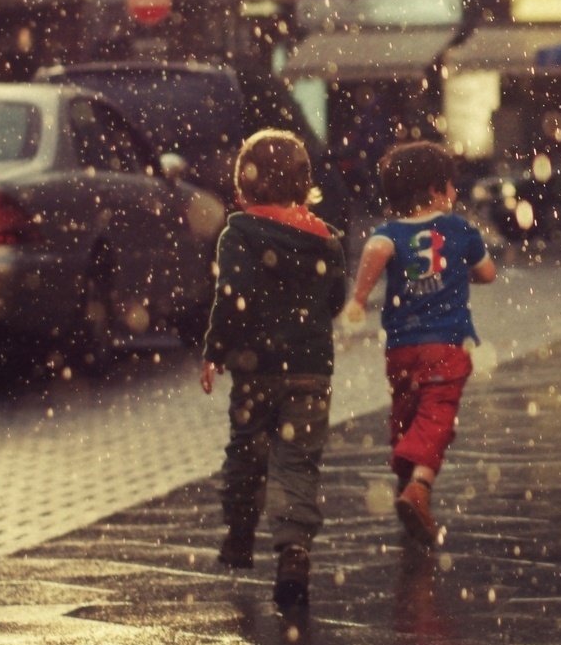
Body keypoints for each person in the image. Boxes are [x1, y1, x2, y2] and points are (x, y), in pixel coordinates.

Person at [198, 130, 347, 612]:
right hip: (310, 372)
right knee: (299, 461)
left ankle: (240, 532)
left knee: (247, 450)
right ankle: (295, 550)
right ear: (306, 187)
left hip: (255, 370)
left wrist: (215, 351)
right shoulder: (327, 241)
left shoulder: (238, 234)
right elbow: (336, 301)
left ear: (243, 187)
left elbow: (231, 299)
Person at [342, 141, 497, 546]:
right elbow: (488, 273)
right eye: (450, 187)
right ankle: (419, 487)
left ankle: (404, 476)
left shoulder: (389, 232)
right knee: (437, 415)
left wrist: (359, 298)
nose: (454, 194)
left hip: (401, 347)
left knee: (406, 409)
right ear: (434, 191)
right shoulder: (460, 229)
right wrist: (468, 268)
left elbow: (377, 250)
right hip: (447, 344)